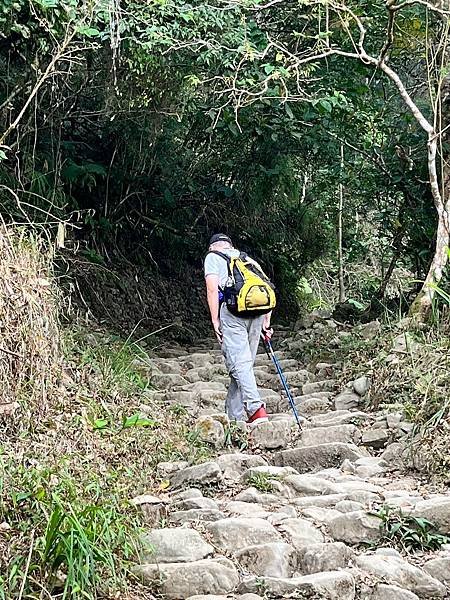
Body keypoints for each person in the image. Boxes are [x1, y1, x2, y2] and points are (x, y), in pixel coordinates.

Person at [204, 233, 273, 425]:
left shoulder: (213, 257)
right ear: (230, 245)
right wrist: (266, 321)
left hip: (233, 312)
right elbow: (266, 287)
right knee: (242, 365)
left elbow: (211, 289)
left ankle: (255, 409)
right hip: (257, 313)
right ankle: (233, 418)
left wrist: (215, 320)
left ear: (212, 247)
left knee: (240, 364)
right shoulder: (245, 258)